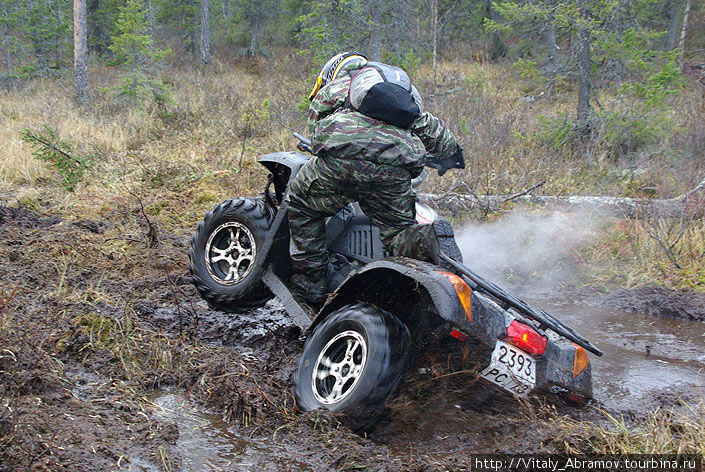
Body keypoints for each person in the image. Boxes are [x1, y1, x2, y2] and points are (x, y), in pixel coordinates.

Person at [287, 52, 464, 305]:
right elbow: (433, 130)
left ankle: (312, 282)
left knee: (302, 206)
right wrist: (452, 157)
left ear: (333, 72)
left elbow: (316, 128)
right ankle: (430, 240)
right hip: (395, 168)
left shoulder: (341, 85)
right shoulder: (403, 94)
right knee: (398, 234)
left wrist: (330, 148)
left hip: (343, 162)